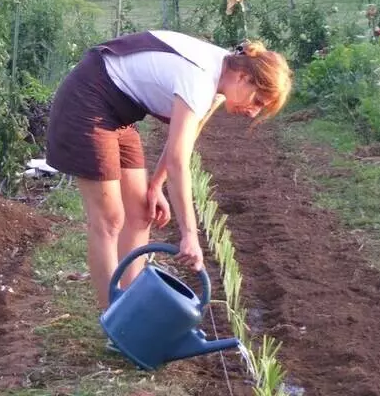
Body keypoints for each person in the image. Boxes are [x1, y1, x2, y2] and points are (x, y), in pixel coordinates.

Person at [45, 29, 292, 310]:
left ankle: (131, 307)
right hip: (88, 98)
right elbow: (178, 162)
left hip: (119, 112)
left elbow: (181, 144)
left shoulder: (216, 86)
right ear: (244, 77)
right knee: (109, 219)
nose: (253, 112)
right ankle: (113, 318)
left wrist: (155, 186)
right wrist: (189, 234)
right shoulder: (200, 79)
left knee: (140, 212)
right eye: (258, 101)